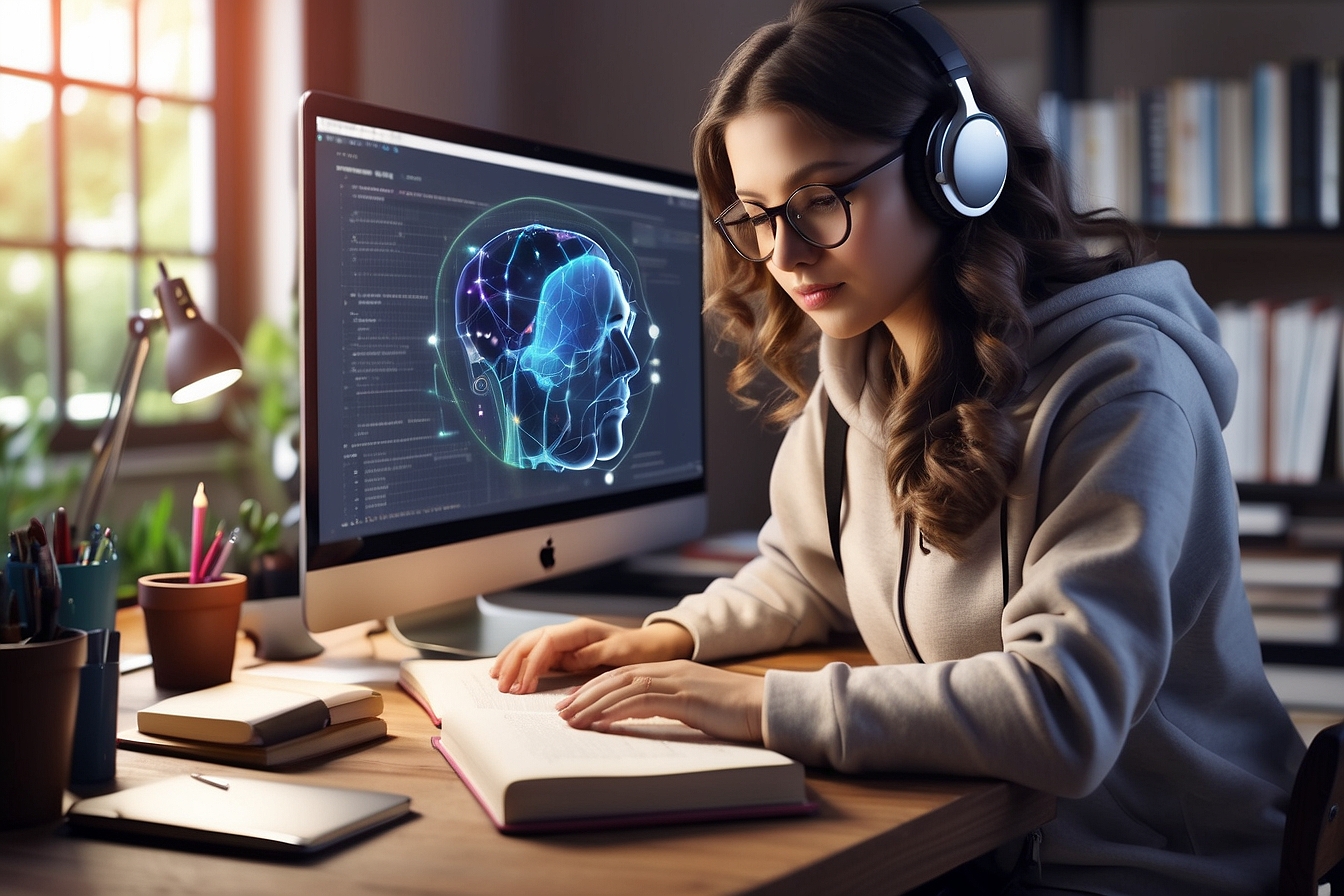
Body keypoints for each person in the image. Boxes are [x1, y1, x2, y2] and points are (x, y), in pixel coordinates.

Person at [490, 1, 1305, 892]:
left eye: (821, 199)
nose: (784, 254)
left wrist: (759, 706)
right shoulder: (862, 372)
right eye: (755, 214)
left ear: (956, 167)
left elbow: (1065, 713)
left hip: (1147, 870)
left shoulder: (1125, 387)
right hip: (986, 849)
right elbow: (807, 572)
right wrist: (667, 639)